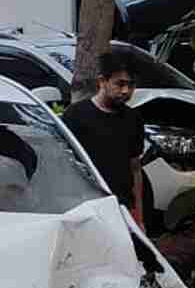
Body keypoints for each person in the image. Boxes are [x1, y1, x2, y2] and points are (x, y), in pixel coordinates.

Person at [62, 49, 147, 229]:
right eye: (120, 84)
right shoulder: (75, 115)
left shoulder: (133, 119)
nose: (126, 91)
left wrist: (138, 216)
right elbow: (63, 165)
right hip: (85, 208)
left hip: (122, 208)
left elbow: (135, 168)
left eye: (131, 85)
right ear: (102, 81)